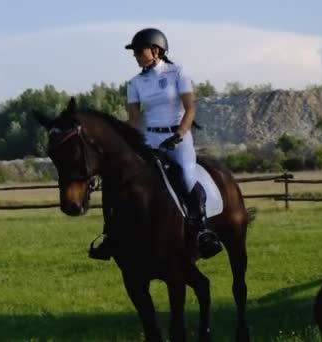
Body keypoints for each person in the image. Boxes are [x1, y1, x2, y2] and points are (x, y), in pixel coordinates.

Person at [88, 27, 222, 261]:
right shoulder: (134, 83)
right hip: (149, 138)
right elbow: (134, 119)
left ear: (156, 50)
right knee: (122, 181)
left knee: (187, 177)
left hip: (177, 136)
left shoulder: (178, 73)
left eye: (140, 51)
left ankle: (202, 231)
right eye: (135, 52)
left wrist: (179, 134)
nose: (136, 56)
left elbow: (190, 108)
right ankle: (111, 235)